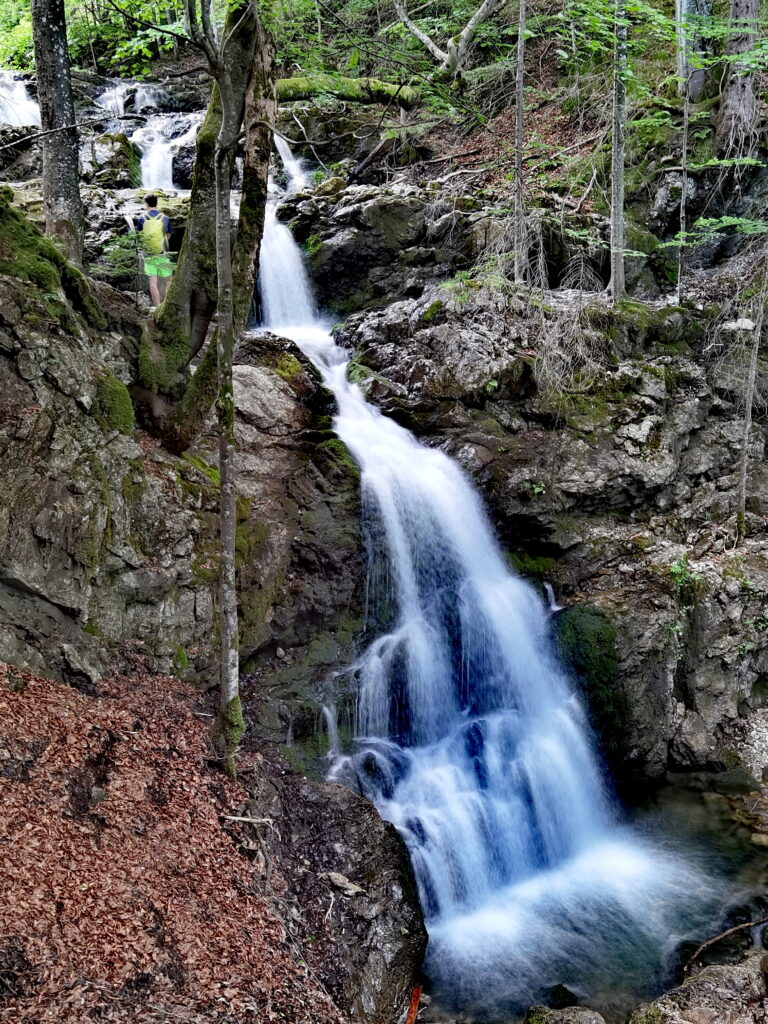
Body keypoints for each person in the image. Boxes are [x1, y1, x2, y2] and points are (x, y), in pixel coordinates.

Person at [135, 194, 173, 307]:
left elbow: (139, 235)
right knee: (168, 279)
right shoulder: (164, 218)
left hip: (149, 254)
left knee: (153, 281)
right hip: (163, 253)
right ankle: (166, 305)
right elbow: (168, 235)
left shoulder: (142, 217)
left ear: (146, 203)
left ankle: (157, 306)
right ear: (156, 203)